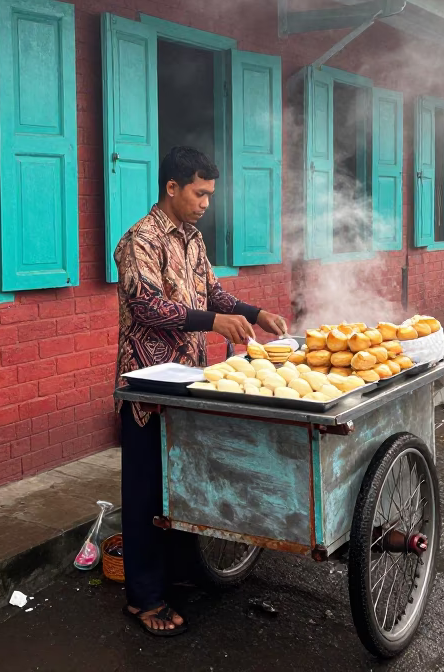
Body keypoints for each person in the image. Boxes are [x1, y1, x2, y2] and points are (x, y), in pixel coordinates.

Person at [114, 146, 287, 637]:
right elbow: (148, 307)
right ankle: (144, 598)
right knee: (147, 491)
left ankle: (176, 575)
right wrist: (216, 322)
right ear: (172, 187)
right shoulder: (139, 242)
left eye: (210, 194)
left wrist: (254, 313)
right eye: (200, 193)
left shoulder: (192, 238)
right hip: (147, 388)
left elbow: (213, 291)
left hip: (189, 381)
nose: (207, 203)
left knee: (182, 485)